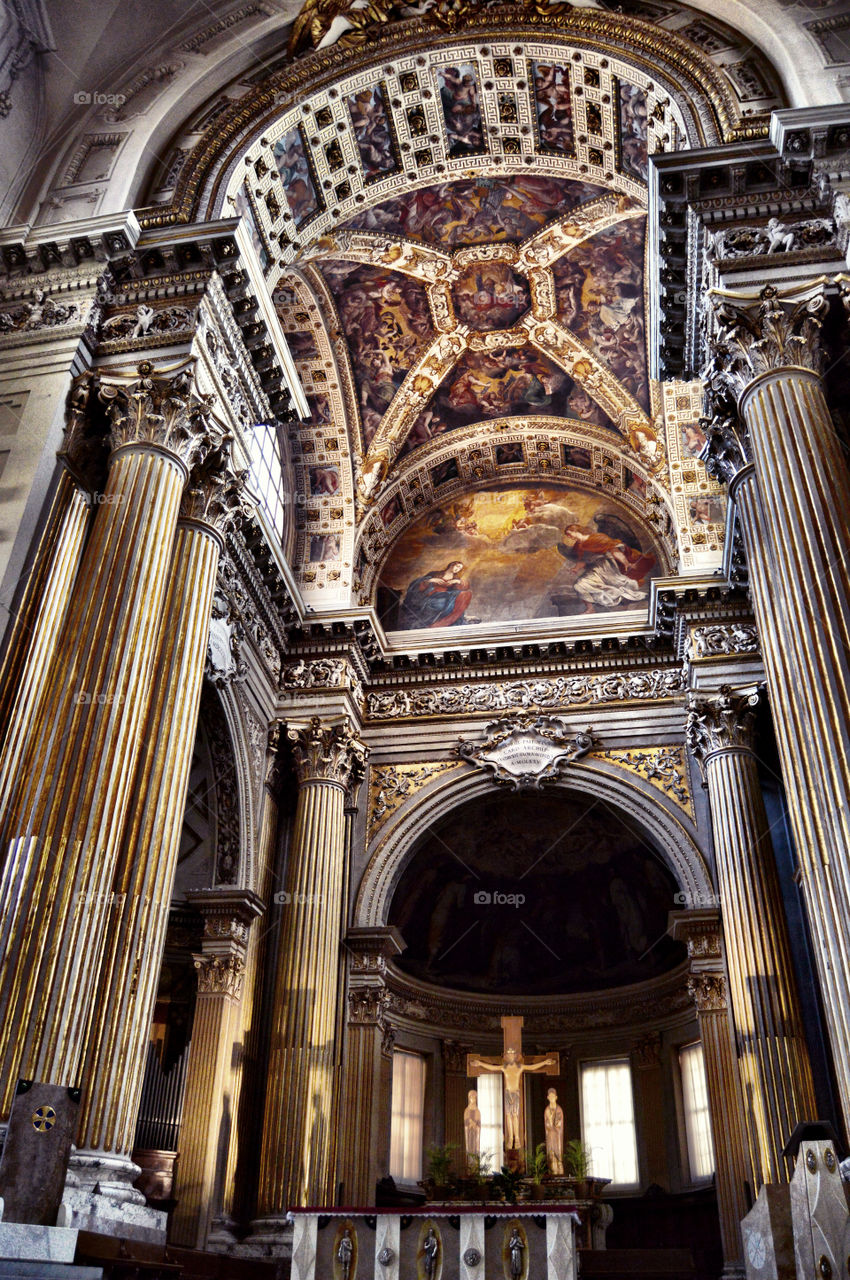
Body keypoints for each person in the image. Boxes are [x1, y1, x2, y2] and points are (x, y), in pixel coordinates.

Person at [469, 1048, 556, 1151]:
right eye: (508, 1055)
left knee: (515, 1116)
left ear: (515, 1056)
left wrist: (545, 1062)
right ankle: (510, 1138)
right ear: (507, 1056)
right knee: (508, 1116)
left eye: (512, 1054)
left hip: (515, 1093)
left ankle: (517, 1138)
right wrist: (480, 1063)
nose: (510, 1056)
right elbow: (492, 1068)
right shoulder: (504, 1068)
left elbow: (532, 1066)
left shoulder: (520, 1067)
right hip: (507, 1093)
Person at [557, 524, 654, 614]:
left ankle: (626, 598)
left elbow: (614, 549)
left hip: (606, 567)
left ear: (575, 530)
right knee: (579, 585)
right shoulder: (578, 546)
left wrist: (626, 563)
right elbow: (583, 560)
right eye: (568, 536)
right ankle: (590, 609)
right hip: (594, 570)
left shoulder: (597, 538)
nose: (569, 537)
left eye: (569, 534)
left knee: (618, 584)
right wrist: (575, 568)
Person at [400, 561, 472, 628]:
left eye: (460, 568)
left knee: (464, 594)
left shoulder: (456, 578)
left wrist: (457, 581)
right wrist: (431, 580)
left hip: (445, 597)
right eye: (457, 566)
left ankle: (449, 619)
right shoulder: (434, 574)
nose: (457, 569)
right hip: (431, 596)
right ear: (452, 565)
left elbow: (462, 588)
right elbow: (417, 584)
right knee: (434, 604)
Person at [544, 1088, 564, 1175]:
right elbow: (547, 1124)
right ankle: (552, 1167)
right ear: (548, 1097)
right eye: (550, 1096)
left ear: (556, 1097)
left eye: (553, 1096)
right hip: (550, 1135)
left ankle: (559, 1166)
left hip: (557, 1134)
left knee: (558, 1150)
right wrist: (549, 1120)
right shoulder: (547, 1110)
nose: (551, 1098)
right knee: (551, 1151)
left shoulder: (559, 1109)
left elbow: (559, 1123)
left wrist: (553, 1121)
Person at [464, 1089, 481, 1163]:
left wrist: (475, 1126)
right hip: (469, 1134)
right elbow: (466, 1124)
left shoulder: (477, 1111)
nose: (473, 1099)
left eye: (474, 1097)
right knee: (470, 1150)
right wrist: (470, 1124)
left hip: (475, 1134)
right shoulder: (467, 1111)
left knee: (475, 1150)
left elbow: (479, 1125)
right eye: (471, 1097)